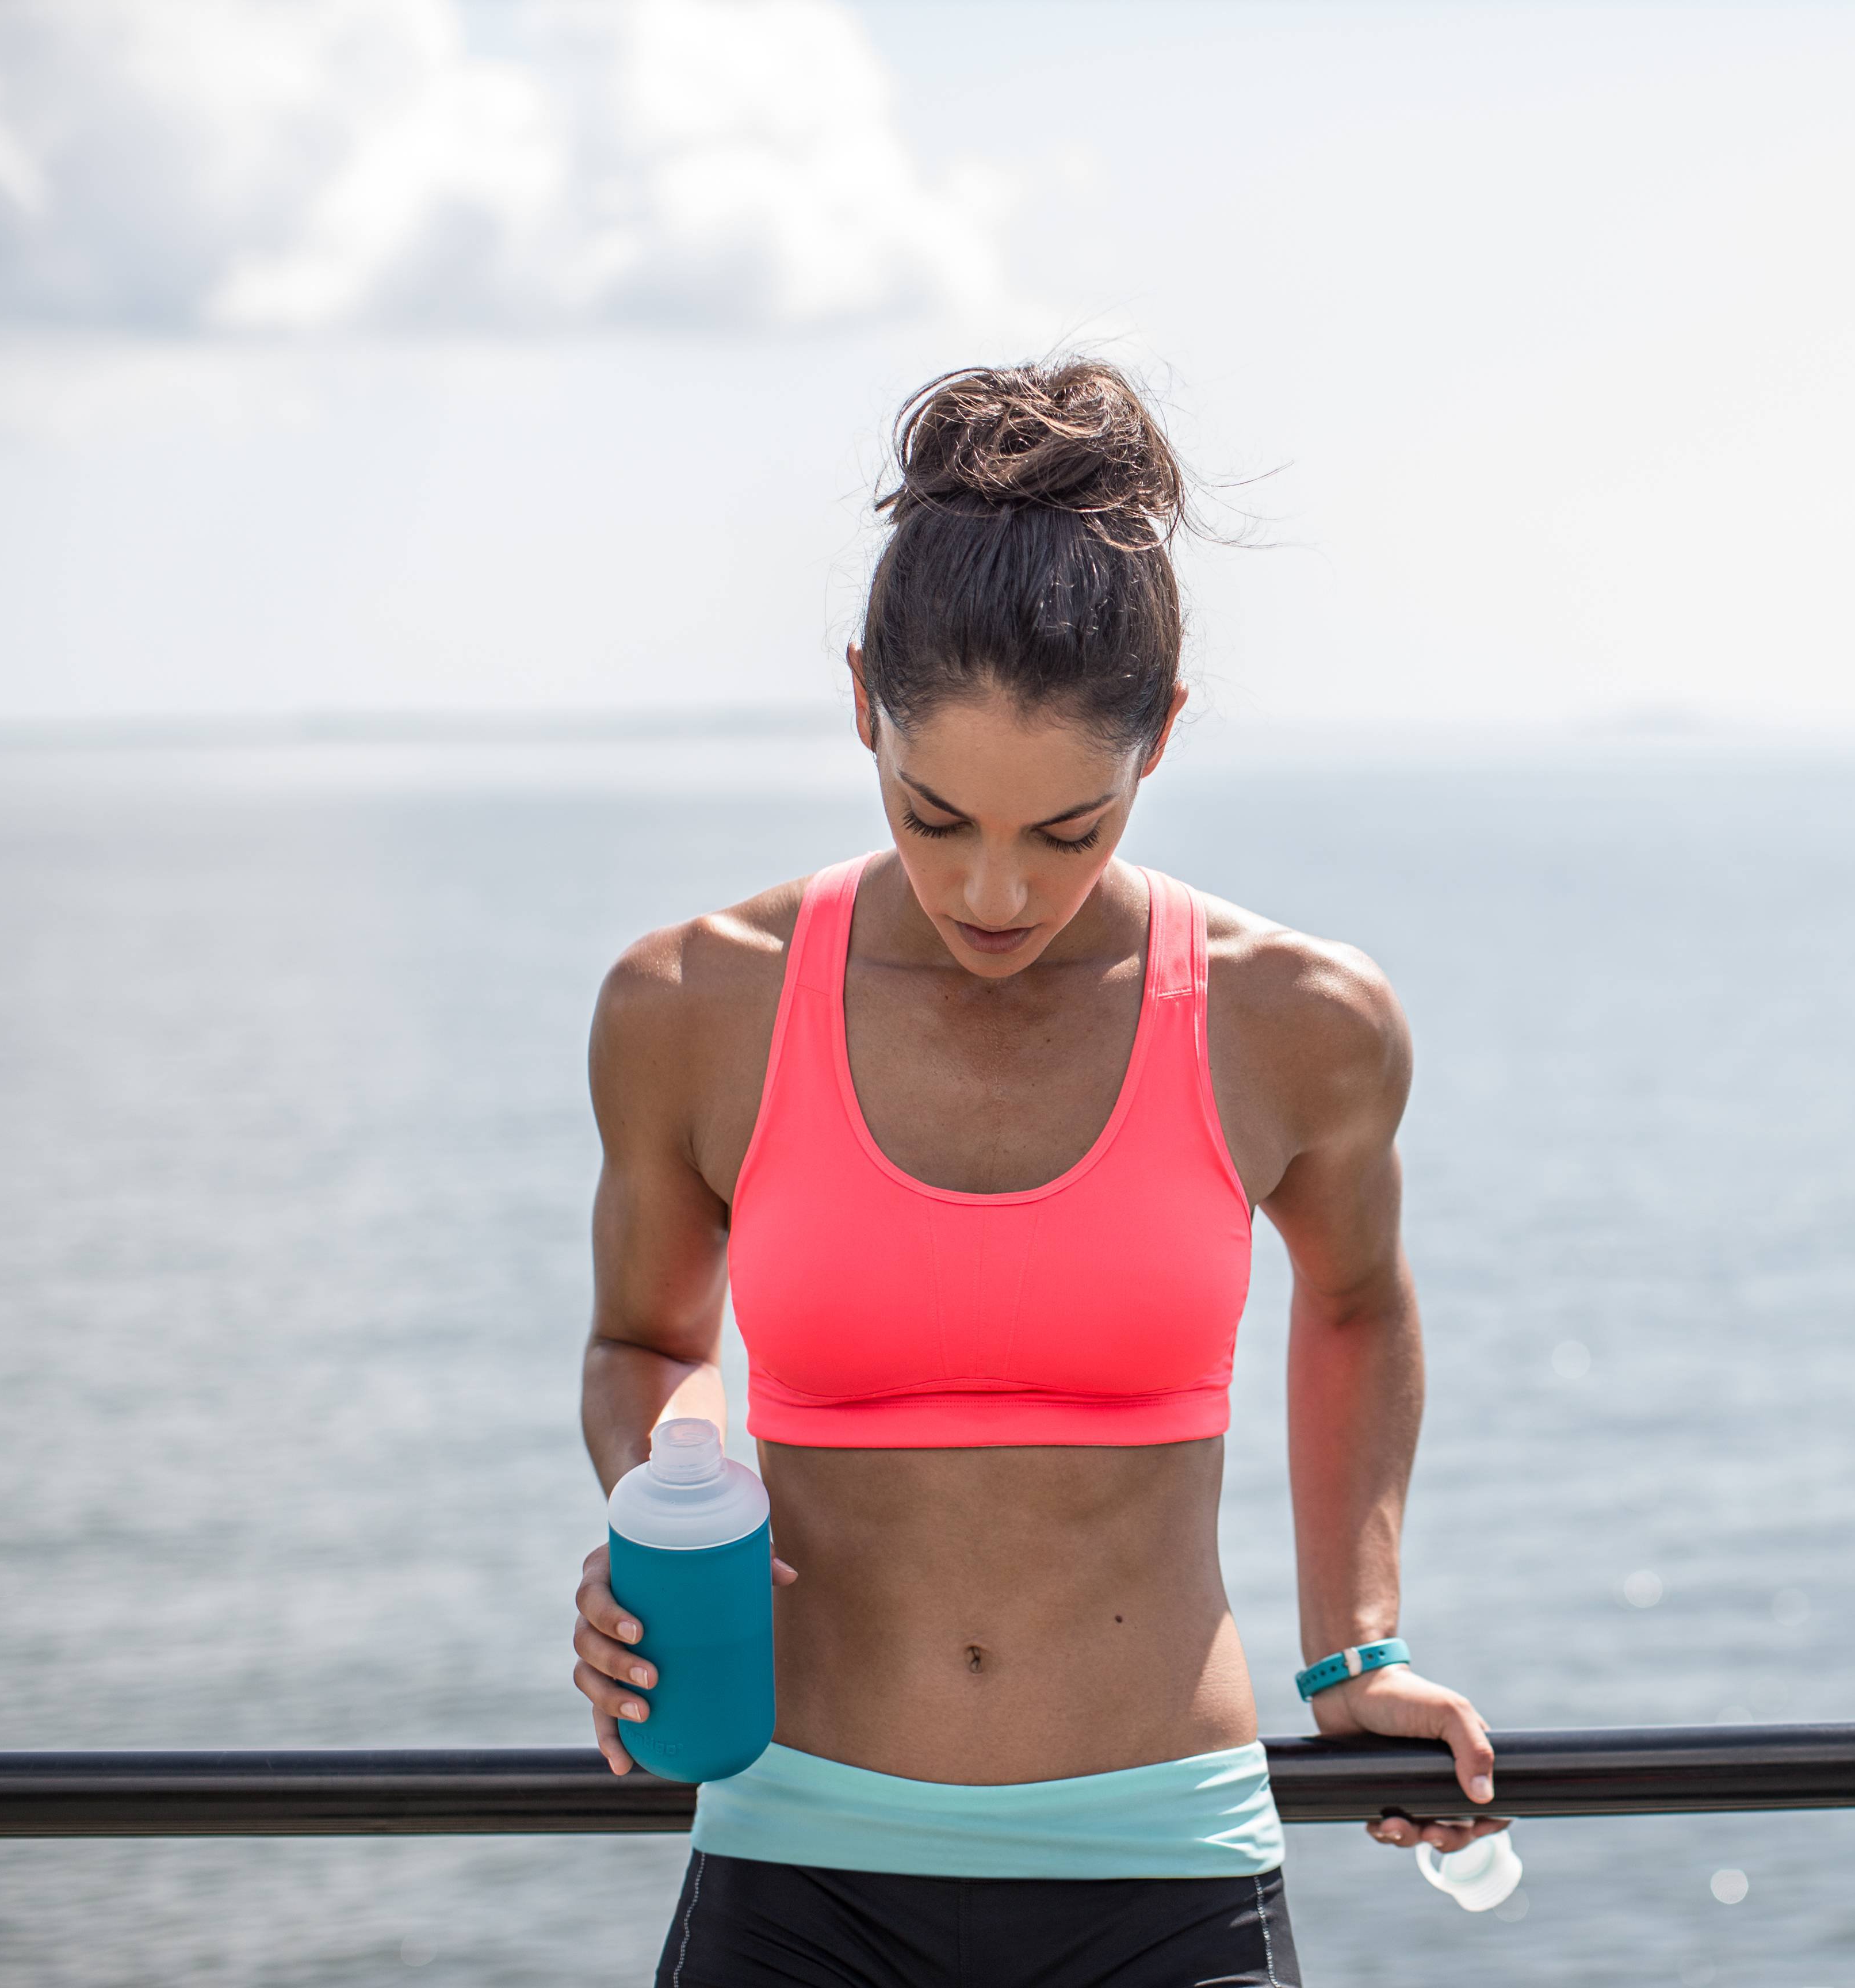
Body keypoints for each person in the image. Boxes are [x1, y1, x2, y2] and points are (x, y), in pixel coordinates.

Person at [568, 360, 1502, 1987]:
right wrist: (674, 1512)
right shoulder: (689, 1007)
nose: (995, 894)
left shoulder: (1301, 1021)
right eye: (935, 817)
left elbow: (1356, 1306)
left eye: (1069, 833)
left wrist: (1359, 1644)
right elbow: (646, 1343)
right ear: (862, 701)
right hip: (795, 1862)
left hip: (1166, 1868)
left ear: (1165, 739)